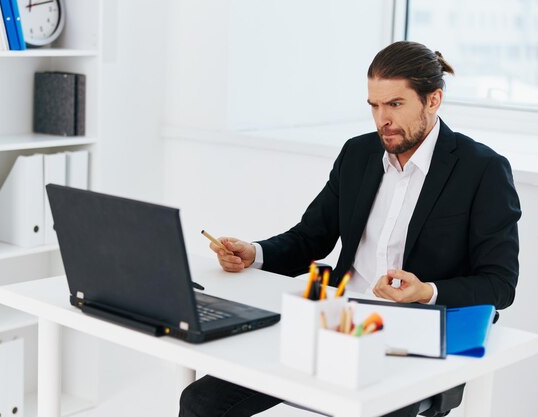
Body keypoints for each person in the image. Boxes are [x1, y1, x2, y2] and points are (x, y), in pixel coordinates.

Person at [178, 41, 521, 417]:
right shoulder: (358, 155)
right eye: (374, 106)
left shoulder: (482, 170)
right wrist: (255, 253)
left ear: (433, 100)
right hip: (335, 326)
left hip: (413, 339)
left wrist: (427, 291)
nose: (381, 120)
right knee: (201, 402)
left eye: (395, 104)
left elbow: (500, 283)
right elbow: (311, 237)